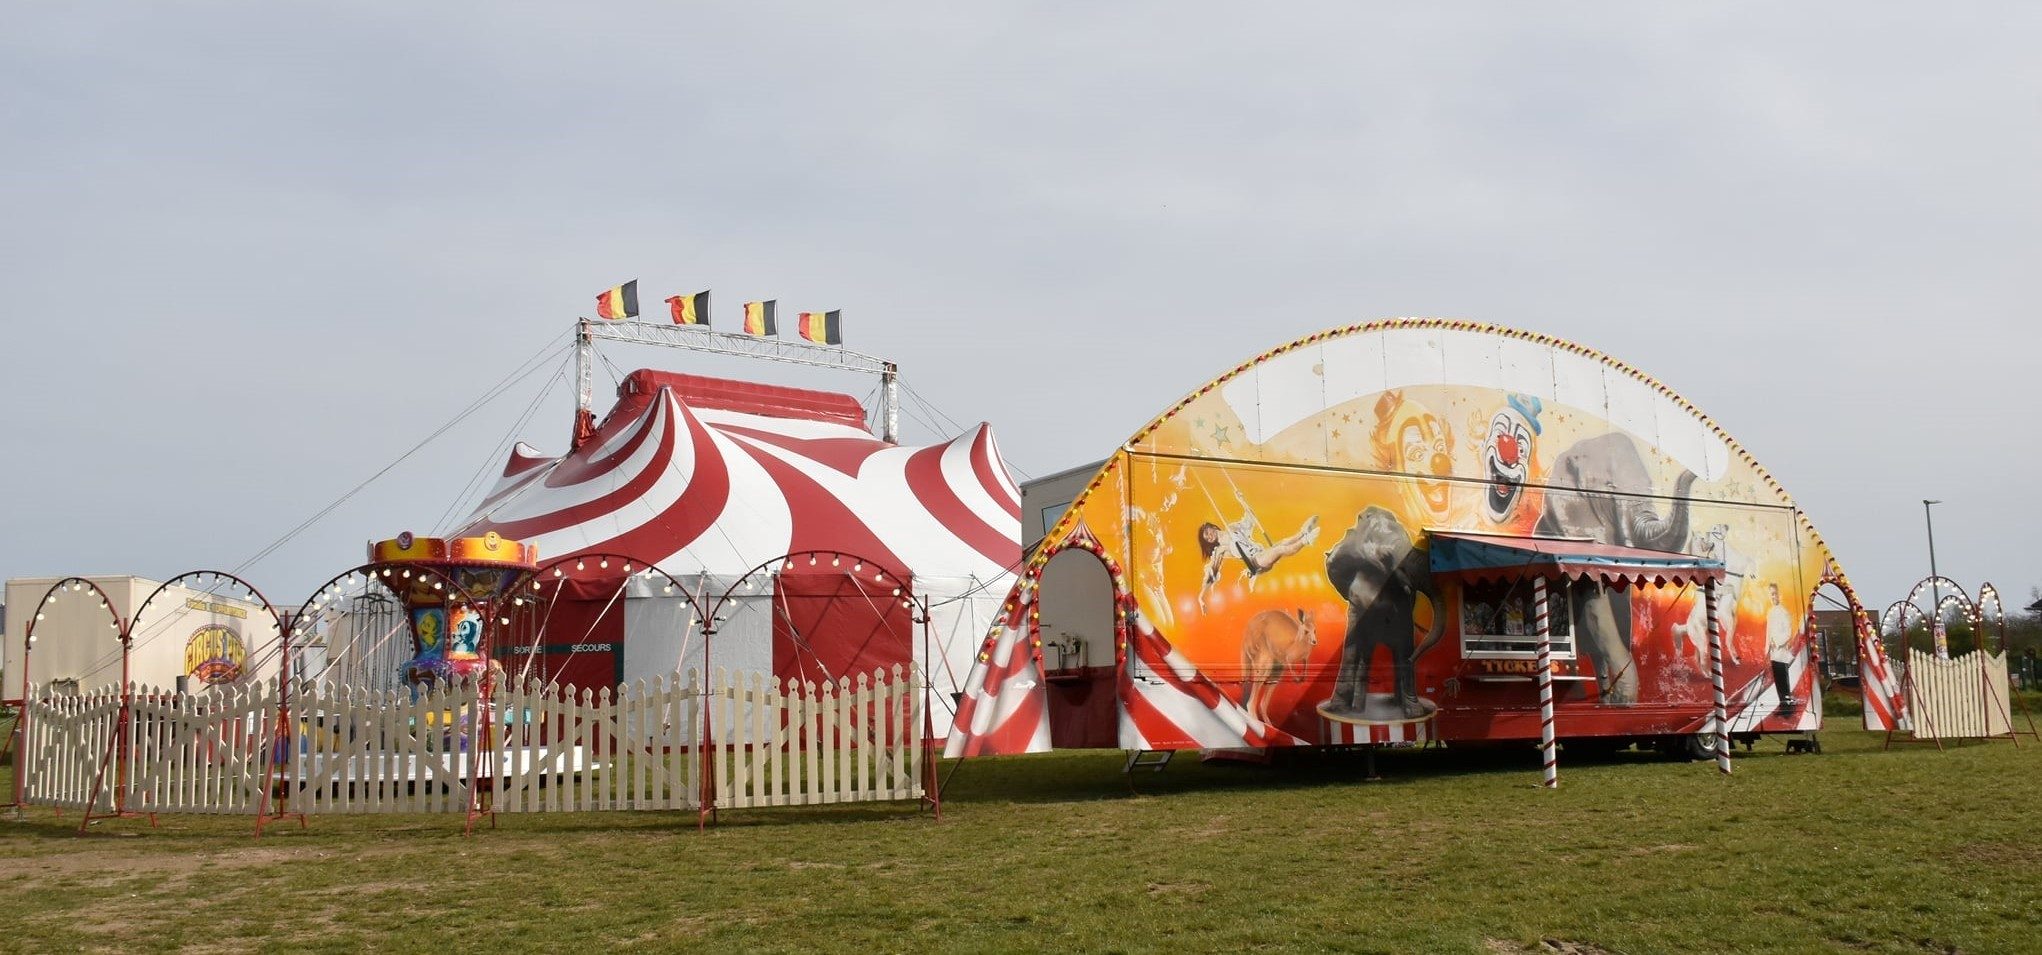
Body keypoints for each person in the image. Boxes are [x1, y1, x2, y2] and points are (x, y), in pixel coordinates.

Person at [1197, 492, 1320, 613]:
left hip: (1262, 553)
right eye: (1207, 539)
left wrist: (1242, 501)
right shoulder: (1220, 550)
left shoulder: (1232, 527)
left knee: (1283, 542)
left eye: (1207, 533)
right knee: (1280, 549)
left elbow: (1250, 518)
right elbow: (1211, 574)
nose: (1209, 537)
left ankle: (1302, 533)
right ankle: (1306, 540)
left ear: (1211, 527)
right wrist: (1201, 597)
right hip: (1255, 562)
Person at [1764, 583, 1799, 713]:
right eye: (1771, 594)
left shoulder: (1784, 612)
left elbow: (1788, 633)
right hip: (1773, 652)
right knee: (1777, 678)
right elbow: (1768, 632)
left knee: (1782, 677)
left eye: (1774, 594)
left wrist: (1778, 643)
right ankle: (1782, 703)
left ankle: (1787, 703)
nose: (1773, 597)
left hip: (1781, 652)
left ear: (1779, 595)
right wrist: (1767, 648)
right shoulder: (1770, 612)